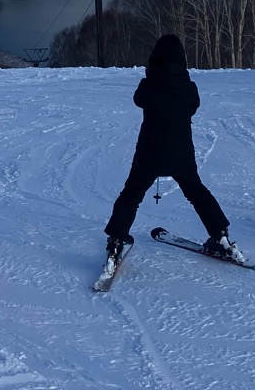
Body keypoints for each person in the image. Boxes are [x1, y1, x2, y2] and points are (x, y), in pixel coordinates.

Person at [102, 34, 240, 277]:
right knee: (197, 192)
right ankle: (221, 236)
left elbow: (139, 100)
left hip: (149, 153)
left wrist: (151, 79)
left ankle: (116, 240)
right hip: (181, 154)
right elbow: (193, 106)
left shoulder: (149, 85)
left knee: (131, 194)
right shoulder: (189, 88)